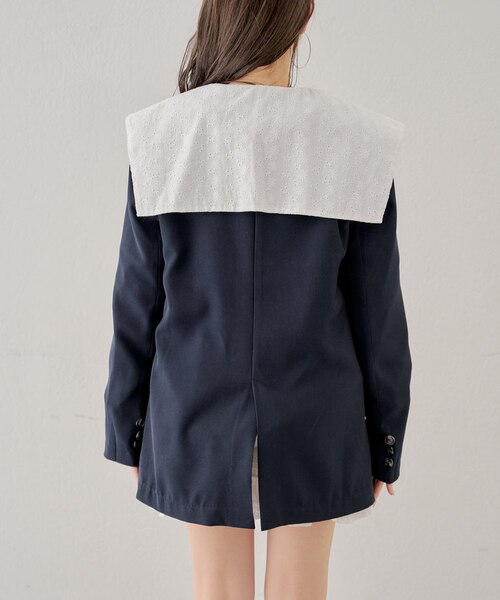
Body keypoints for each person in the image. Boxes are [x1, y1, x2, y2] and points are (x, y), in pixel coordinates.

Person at [103, 0, 412, 597]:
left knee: (217, 589)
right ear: (304, 18)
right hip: (318, 414)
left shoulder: (163, 136)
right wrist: (385, 439)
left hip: (193, 411)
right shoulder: (356, 142)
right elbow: (379, 318)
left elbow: (136, 303)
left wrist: (128, 427)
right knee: (301, 590)